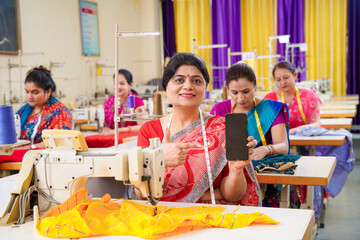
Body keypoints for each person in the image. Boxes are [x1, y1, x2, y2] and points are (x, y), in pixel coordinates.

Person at [137, 53, 261, 206]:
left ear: (205, 87)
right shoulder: (149, 131)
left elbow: (233, 196)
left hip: (212, 219)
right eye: (179, 80)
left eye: (196, 81)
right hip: (162, 218)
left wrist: (236, 170)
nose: (188, 86)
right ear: (166, 86)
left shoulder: (222, 129)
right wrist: (159, 159)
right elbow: (141, 195)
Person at [210, 63, 289, 160]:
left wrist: (266, 149)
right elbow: (211, 149)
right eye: (234, 92)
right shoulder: (219, 110)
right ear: (228, 89)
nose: (241, 98)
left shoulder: (271, 108)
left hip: (264, 167)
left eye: (246, 91)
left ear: (255, 86)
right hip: (230, 169)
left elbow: (284, 147)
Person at [16, 66, 72, 149]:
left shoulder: (60, 113)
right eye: (27, 92)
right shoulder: (23, 112)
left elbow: (59, 140)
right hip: (17, 156)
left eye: (35, 93)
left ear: (48, 91)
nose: (29, 96)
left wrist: (29, 147)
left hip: (43, 158)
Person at [263, 61, 322, 134]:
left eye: (286, 78)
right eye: (278, 80)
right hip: (278, 143)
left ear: (295, 75)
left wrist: (295, 131)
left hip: (305, 140)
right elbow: (264, 126)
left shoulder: (308, 95)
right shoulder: (269, 99)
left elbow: (317, 124)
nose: (283, 82)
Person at [101, 69, 147, 135]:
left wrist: (120, 130)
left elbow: (144, 126)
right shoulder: (108, 102)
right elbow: (105, 125)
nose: (118, 87)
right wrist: (105, 129)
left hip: (129, 140)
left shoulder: (136, 101)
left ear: (130, 85)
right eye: (115, 83)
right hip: (111, 139)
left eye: (122, 84)